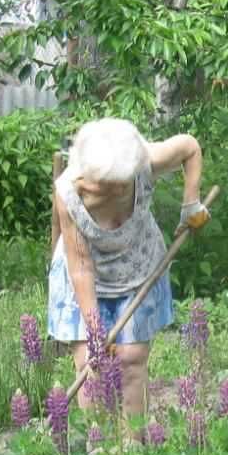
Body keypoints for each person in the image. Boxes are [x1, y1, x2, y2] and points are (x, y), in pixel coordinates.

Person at [48, 117, 207, 420]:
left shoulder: (141, 161)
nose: (114, 192)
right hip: (82, 276)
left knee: (132, 359)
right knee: (89, 364)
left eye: (120, 187)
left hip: (137, 268)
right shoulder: (67, 193)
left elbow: (190, 147)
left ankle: (132, 444)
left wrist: (191, 205)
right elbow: (80, 267)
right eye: (105, 187)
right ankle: (98, 446)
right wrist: (96, 331)